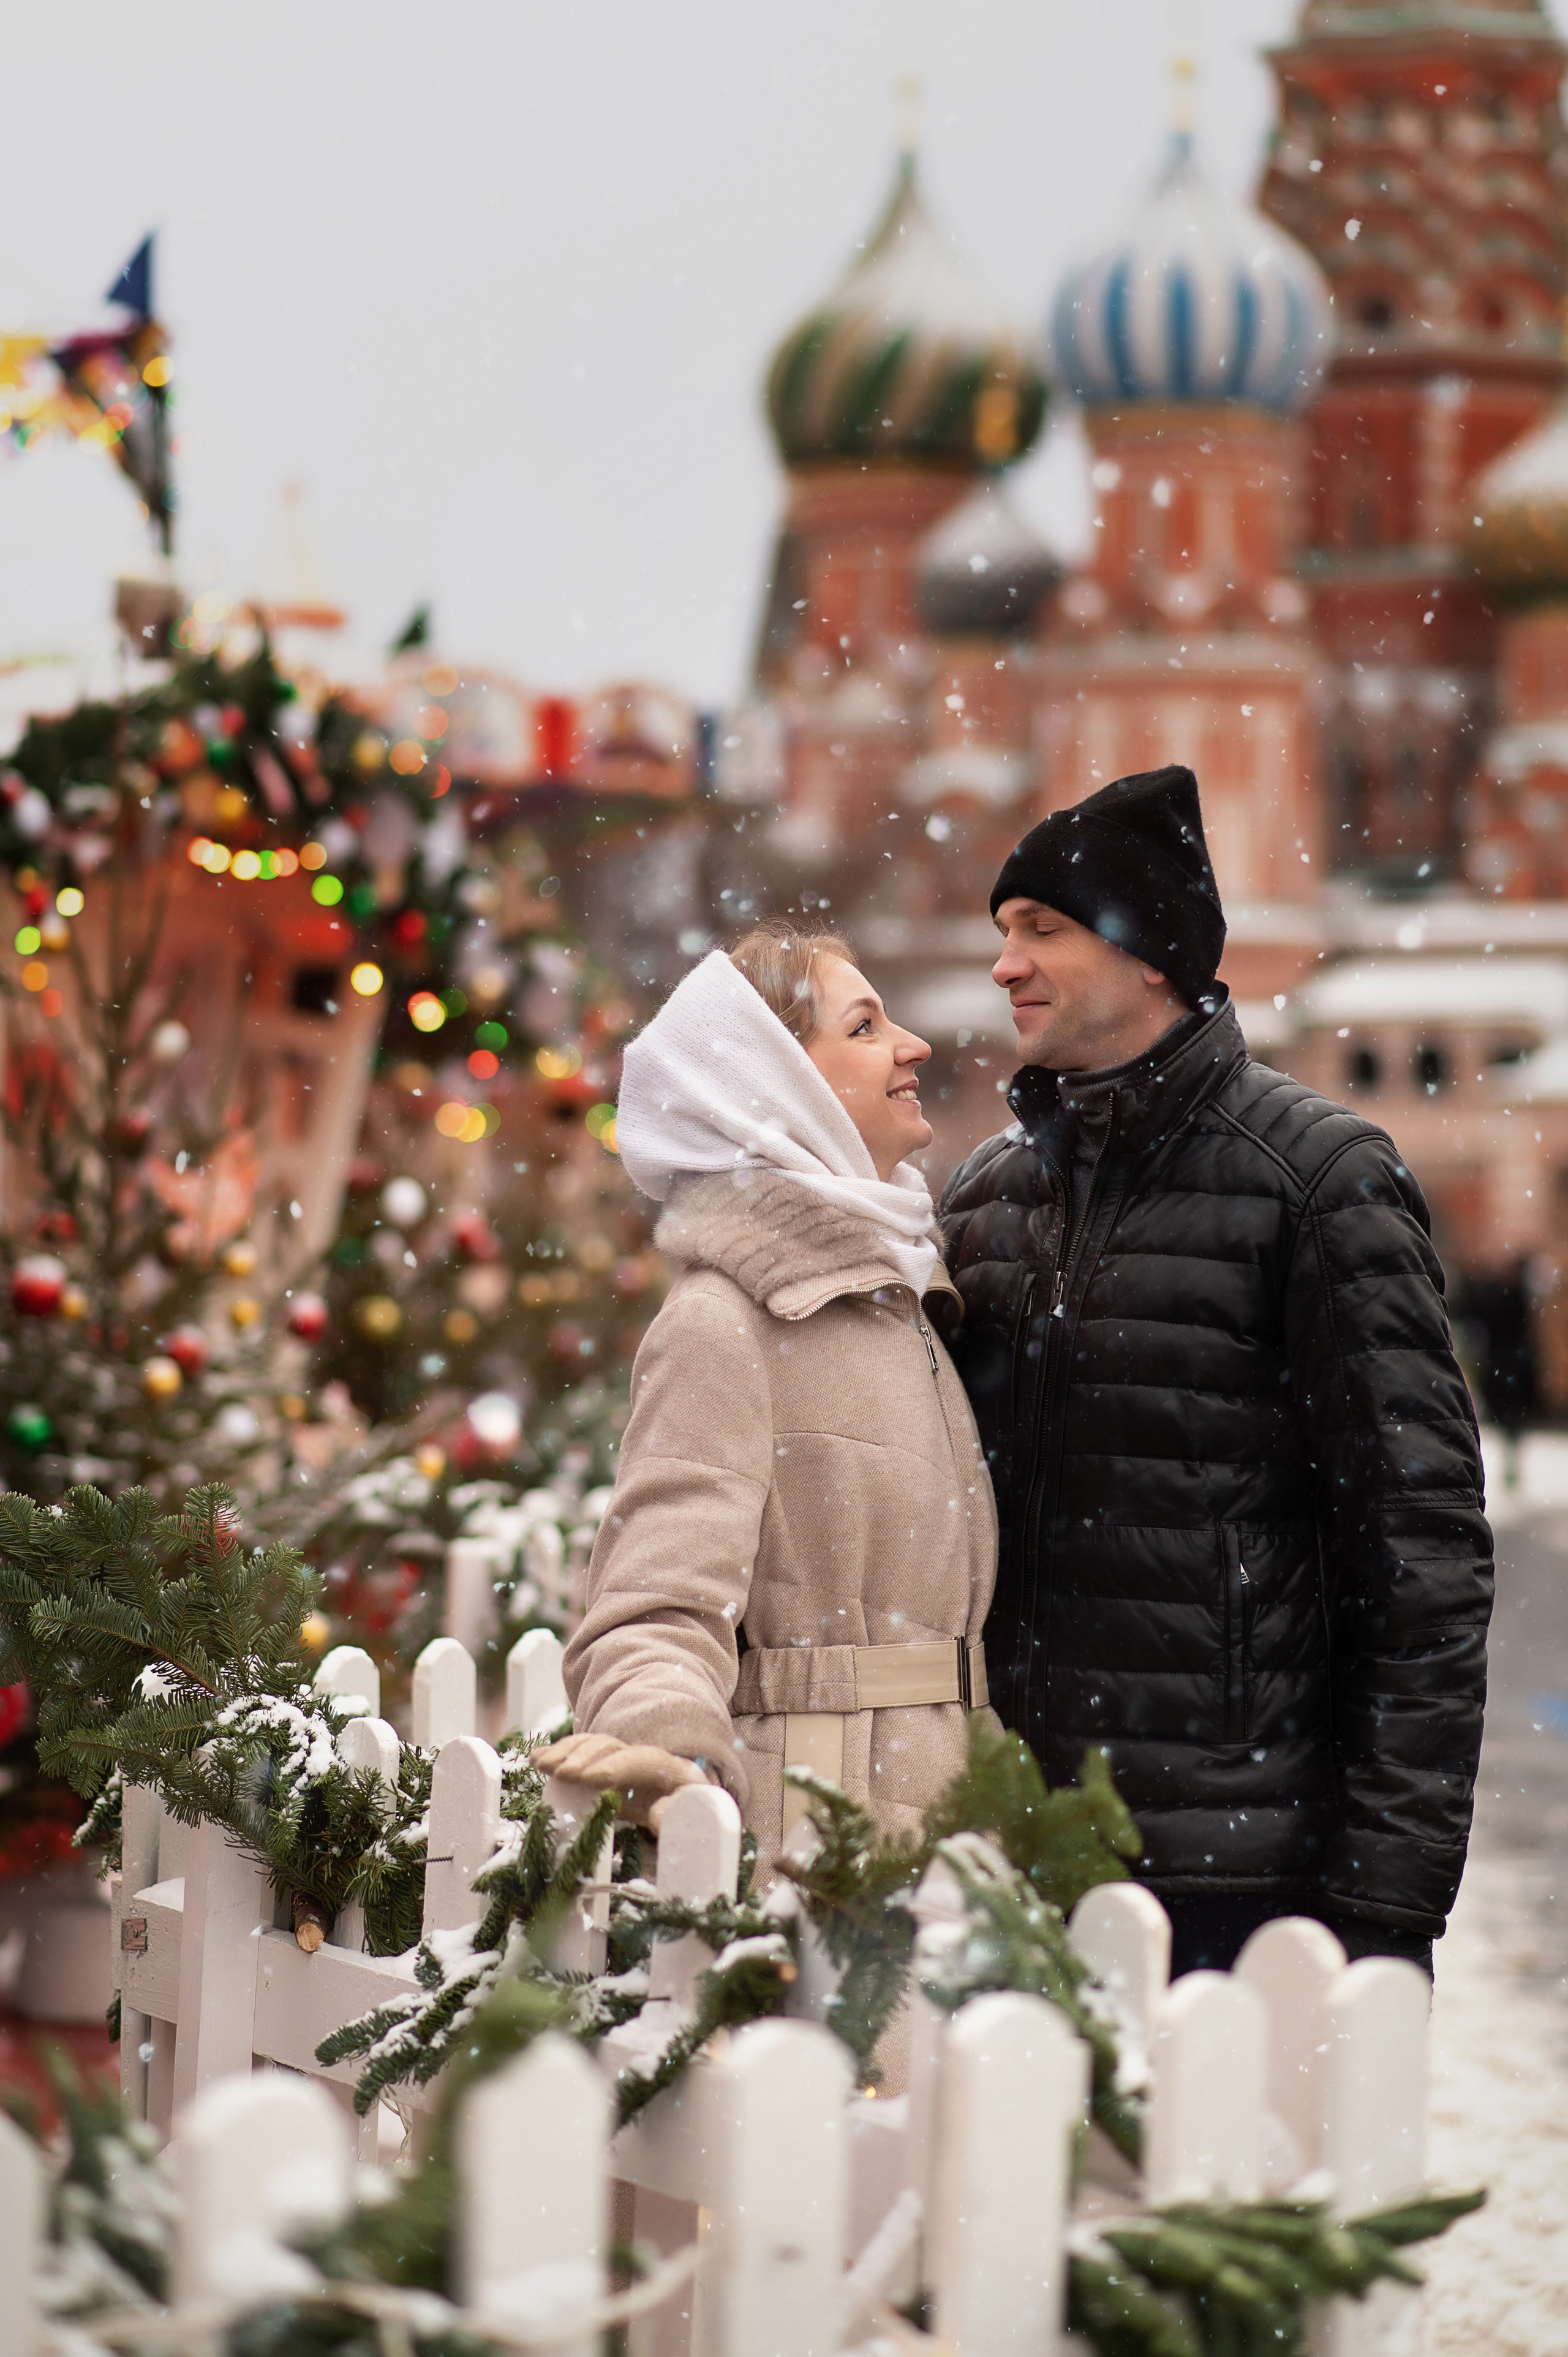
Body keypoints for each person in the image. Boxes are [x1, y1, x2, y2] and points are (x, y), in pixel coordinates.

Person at [940, 764, 1493, 1977]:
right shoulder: (984, 1199)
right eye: (1000, 934)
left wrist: (1386, 1902)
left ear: (1148, 954)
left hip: (1239, 1879)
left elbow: (1420, 1560)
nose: (1003, 966)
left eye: (1040, 929)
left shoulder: (1314, 1178)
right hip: (1006, 1857)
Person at [538, 923, 997, 1868]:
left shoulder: (906, 1296)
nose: (912, 1046)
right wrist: (673, 1760)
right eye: (865, 1028)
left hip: (951, 1836)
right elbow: (653, 1610)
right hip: (819, 1846)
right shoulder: (725, 1322)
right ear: (776, 1082)